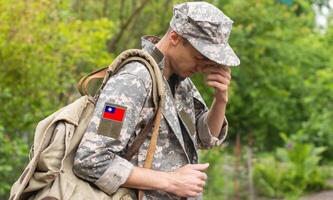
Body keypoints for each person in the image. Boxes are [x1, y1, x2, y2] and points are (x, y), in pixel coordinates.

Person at [73, 1, 240, 199]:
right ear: (175, 38)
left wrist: (220, 99)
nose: (203, 66)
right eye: (199, 57)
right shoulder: (132, 81)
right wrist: (172, 181)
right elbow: (91, 159)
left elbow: (205, 138)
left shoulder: (179, 81)